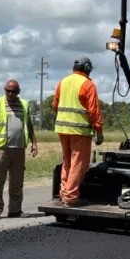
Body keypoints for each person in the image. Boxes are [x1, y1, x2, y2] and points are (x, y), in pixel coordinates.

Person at [52, 56, 104, 206]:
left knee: (67, 163)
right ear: (87, 68)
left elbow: (55, 105)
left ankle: (64, 193)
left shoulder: (63, 82)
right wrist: (99, 131)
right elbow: (94, 110)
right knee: (78, 164)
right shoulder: (88, 84)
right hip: (79, 131)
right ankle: (71, 197)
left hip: (63, 129)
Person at [0, 79, 38, 218]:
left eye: (14, 91)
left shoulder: (24, 104)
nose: (10, 94)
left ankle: (15, 209)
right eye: (8, 91)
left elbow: (29, 124)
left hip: (19, 148)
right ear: (4, 90)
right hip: (2, 148)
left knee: (17, 181)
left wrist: (34, 142)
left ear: (18, 92)